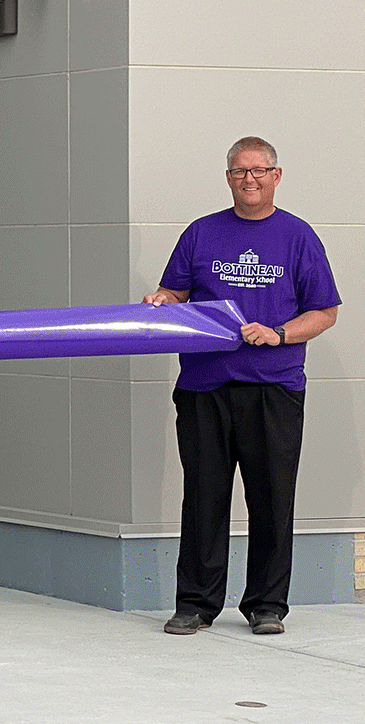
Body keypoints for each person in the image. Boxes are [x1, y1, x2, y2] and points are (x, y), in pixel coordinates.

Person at [144, 136, 340, 637]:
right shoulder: (201, 233)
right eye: (238, 171)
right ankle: (195, 604)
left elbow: (324, 312)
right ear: (227, 177)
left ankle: (266, 606)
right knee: (203, 497)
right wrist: (162, 299)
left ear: (276, 176)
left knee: (272, 499)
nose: (248, 179)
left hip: (274, 387)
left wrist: (279, 334)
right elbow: (175, 291)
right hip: (205, 386)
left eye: (258, 170)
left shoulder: (298, 237)